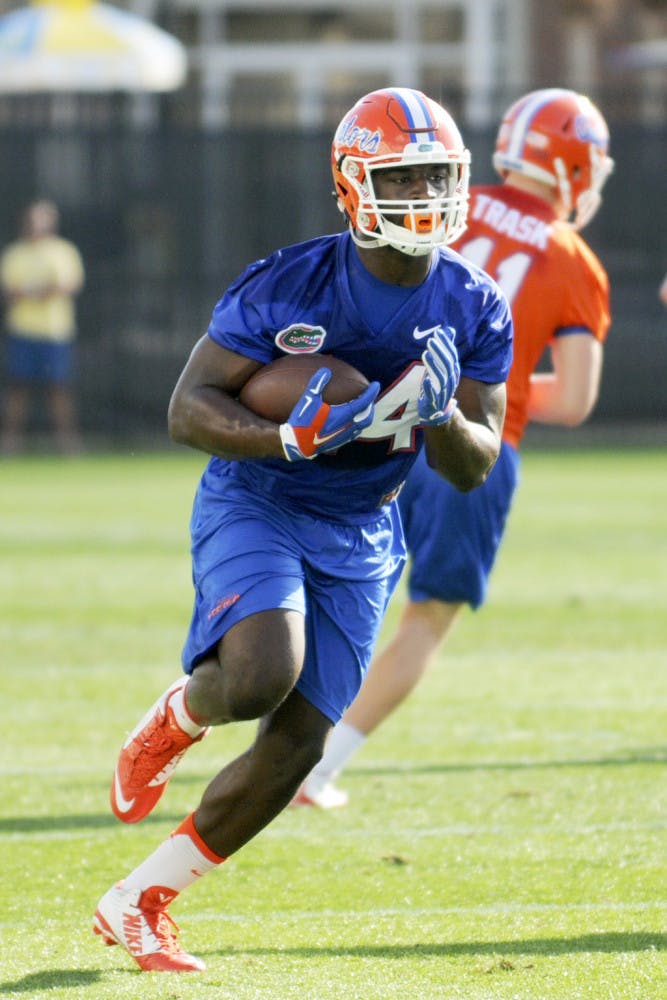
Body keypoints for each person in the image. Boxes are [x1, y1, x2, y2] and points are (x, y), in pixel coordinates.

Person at [92, 86, 513, 973]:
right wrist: (283, 436)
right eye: (406, 178)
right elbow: (186, 409)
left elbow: (472, 464)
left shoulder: (473, 301)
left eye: (440, 176)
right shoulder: (290, 281)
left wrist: (437, 414)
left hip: (363, 523)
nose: (428, 197)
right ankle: (179, 714)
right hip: (262, 497)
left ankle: (140, 901)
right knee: (256, 678)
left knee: (298, 747)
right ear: (354, 184)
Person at [295, 86, 614, 810]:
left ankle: (240, 720)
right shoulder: (571, 258)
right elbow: (572, 399)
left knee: (338, 588)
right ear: (571, 165)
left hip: (373, 423)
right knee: (427, 615)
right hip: (467, 444)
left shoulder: (441, 202)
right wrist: (487, 380)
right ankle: (318, 767)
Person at [0, 199, 85, 454]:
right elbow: (10, 290)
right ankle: (11, 443)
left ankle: (67, 443)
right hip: (23, 330)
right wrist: (37, 291)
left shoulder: (64, 252)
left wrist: (41, 291)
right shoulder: (15, 253)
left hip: (56, 332)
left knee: (59, 388)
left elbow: (69, 285)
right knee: (18, 388)